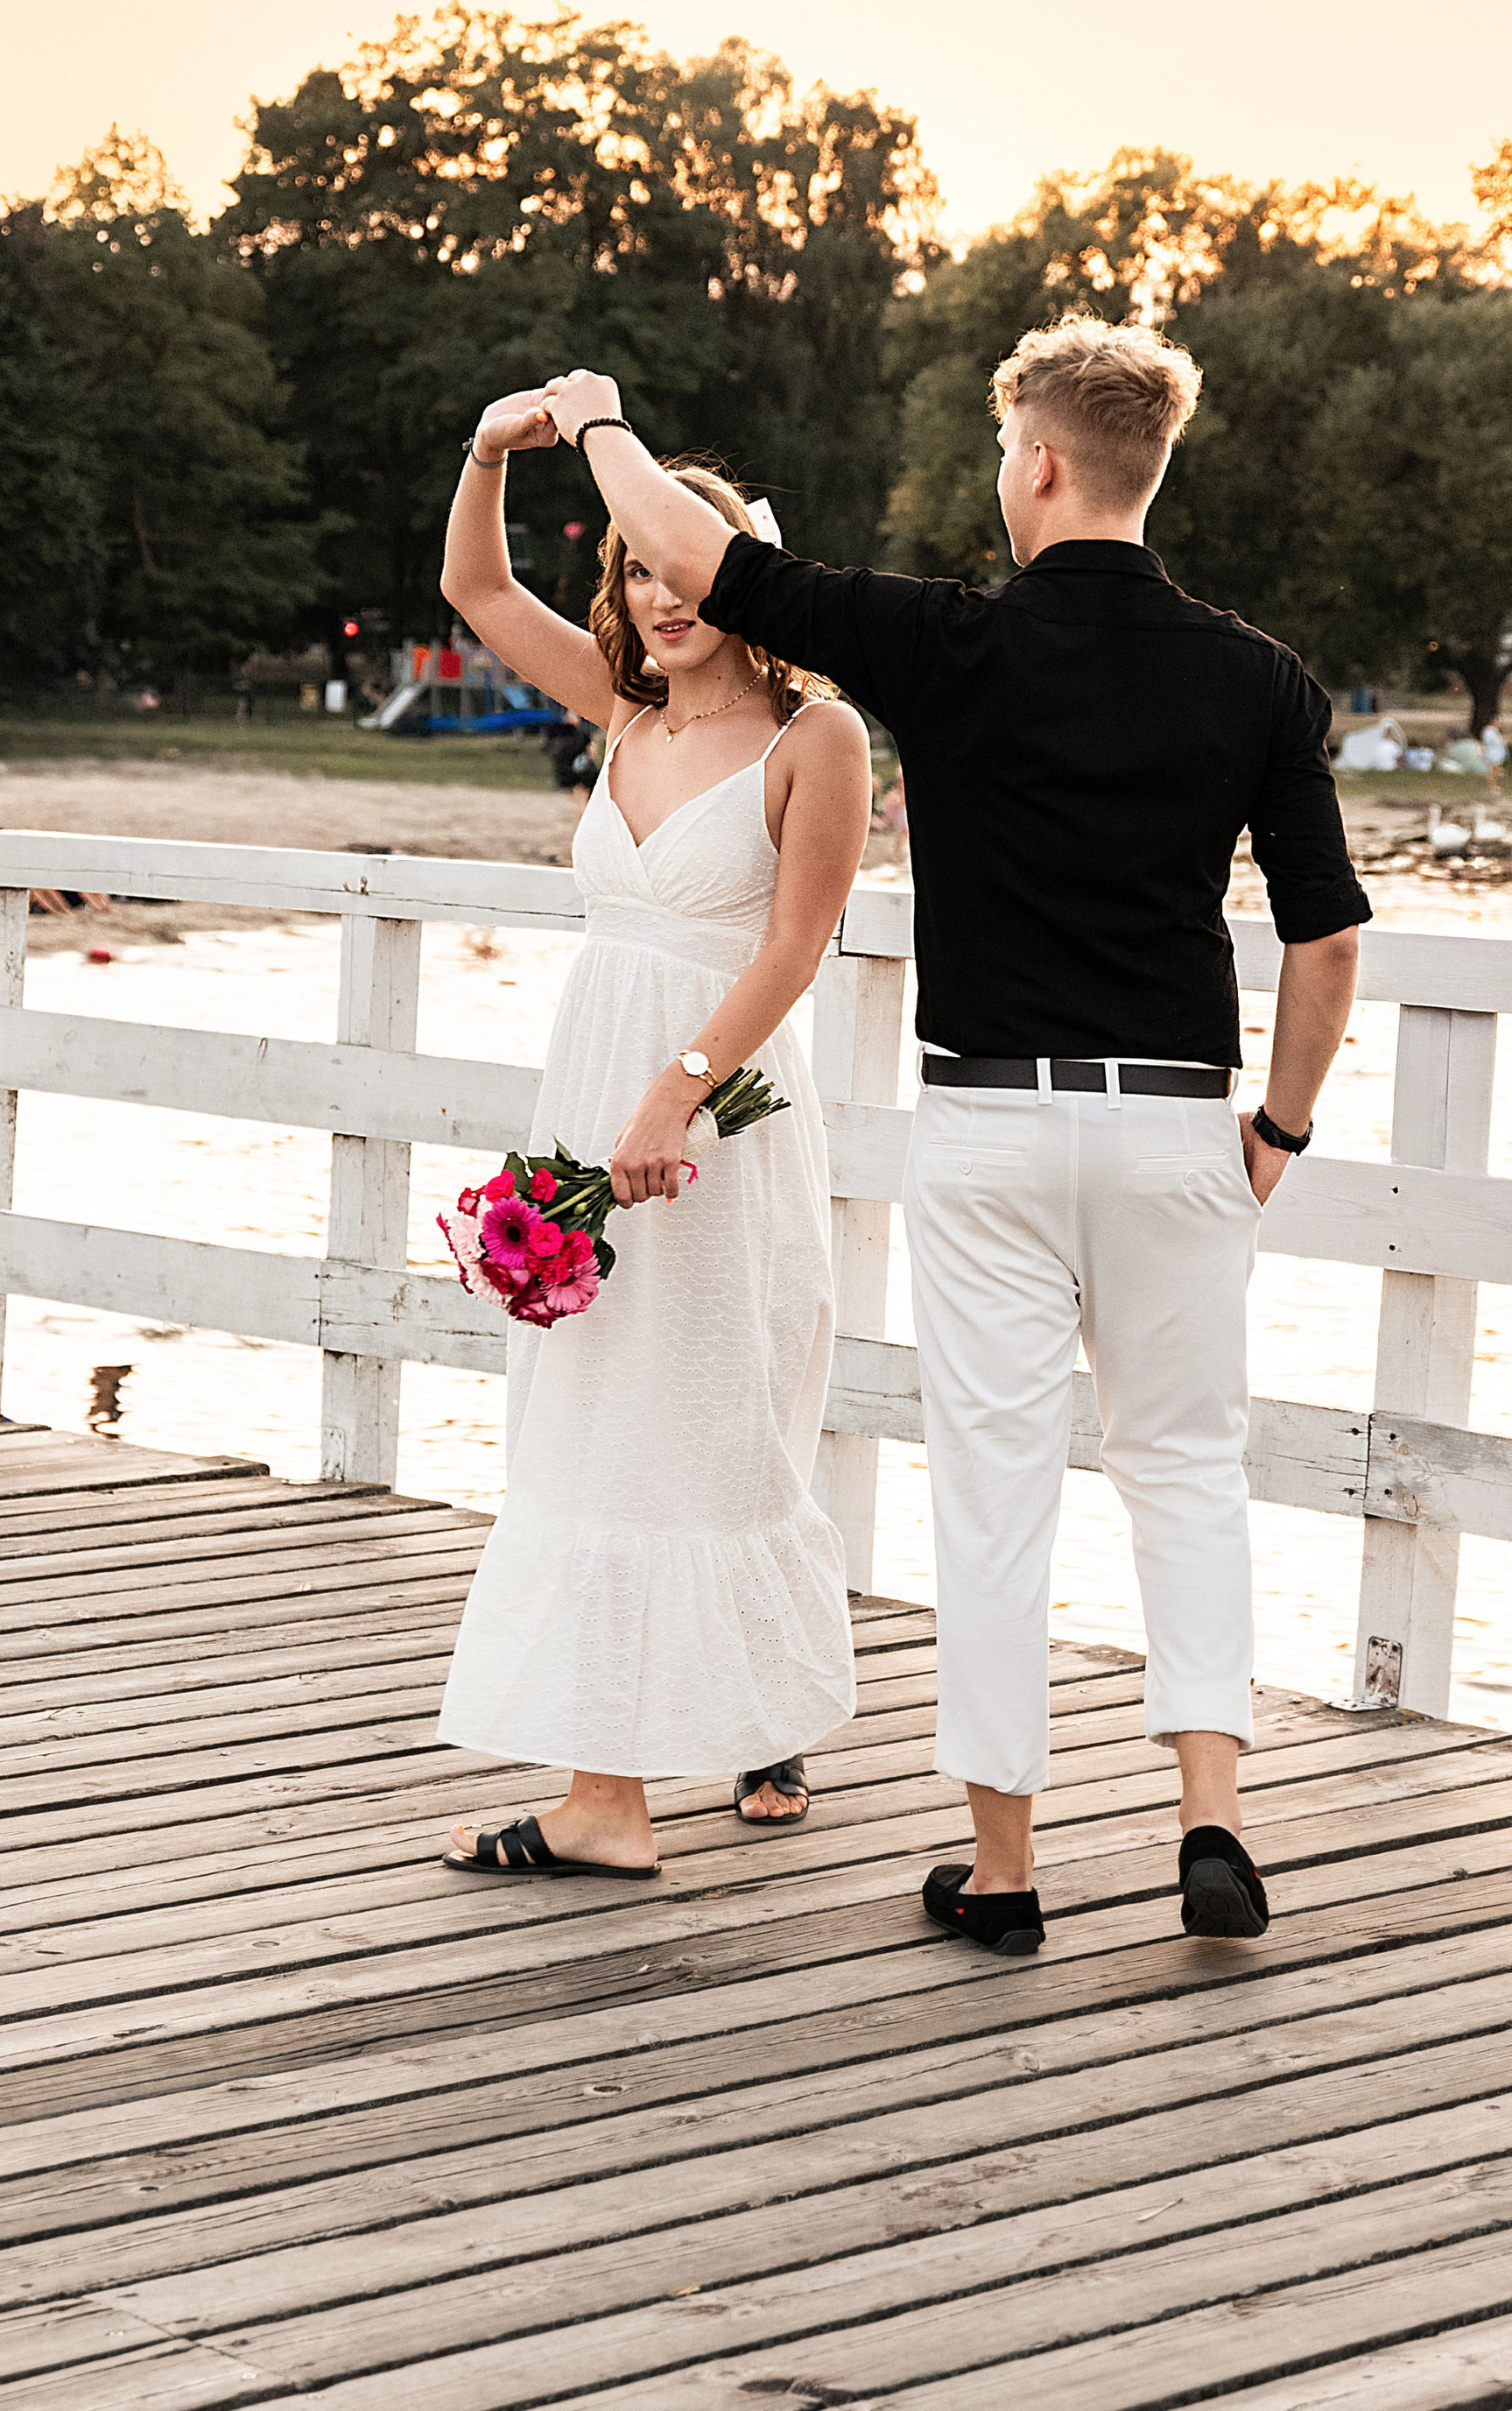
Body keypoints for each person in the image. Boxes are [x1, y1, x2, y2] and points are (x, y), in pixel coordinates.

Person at [540, 317, 1368, 1956]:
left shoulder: (947, 643)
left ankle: (1005, 1873)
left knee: (997, 1491)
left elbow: (701, 555)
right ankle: (1211, 1827)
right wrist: (1274, 1126)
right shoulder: (1260, 678)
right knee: (1188, 1476)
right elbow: (1328, 939)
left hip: (993, 1119)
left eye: (1005, 455)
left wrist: (599, 425)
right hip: (1176, 1128)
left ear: (1040, 463)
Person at [429, 395, 872, 1877]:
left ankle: (751, 1726)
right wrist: (494, 451)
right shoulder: (620, 712)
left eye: (689, 564)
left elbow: (795, 949)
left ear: (744, 569)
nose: (662, 595)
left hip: (719, 1122)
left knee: (720, 1420)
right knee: (596, 1421)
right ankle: (605, 1793)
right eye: (633, 570)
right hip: (591, 1106)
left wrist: (678, 1090)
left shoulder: (821, 736)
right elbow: (478, 591)